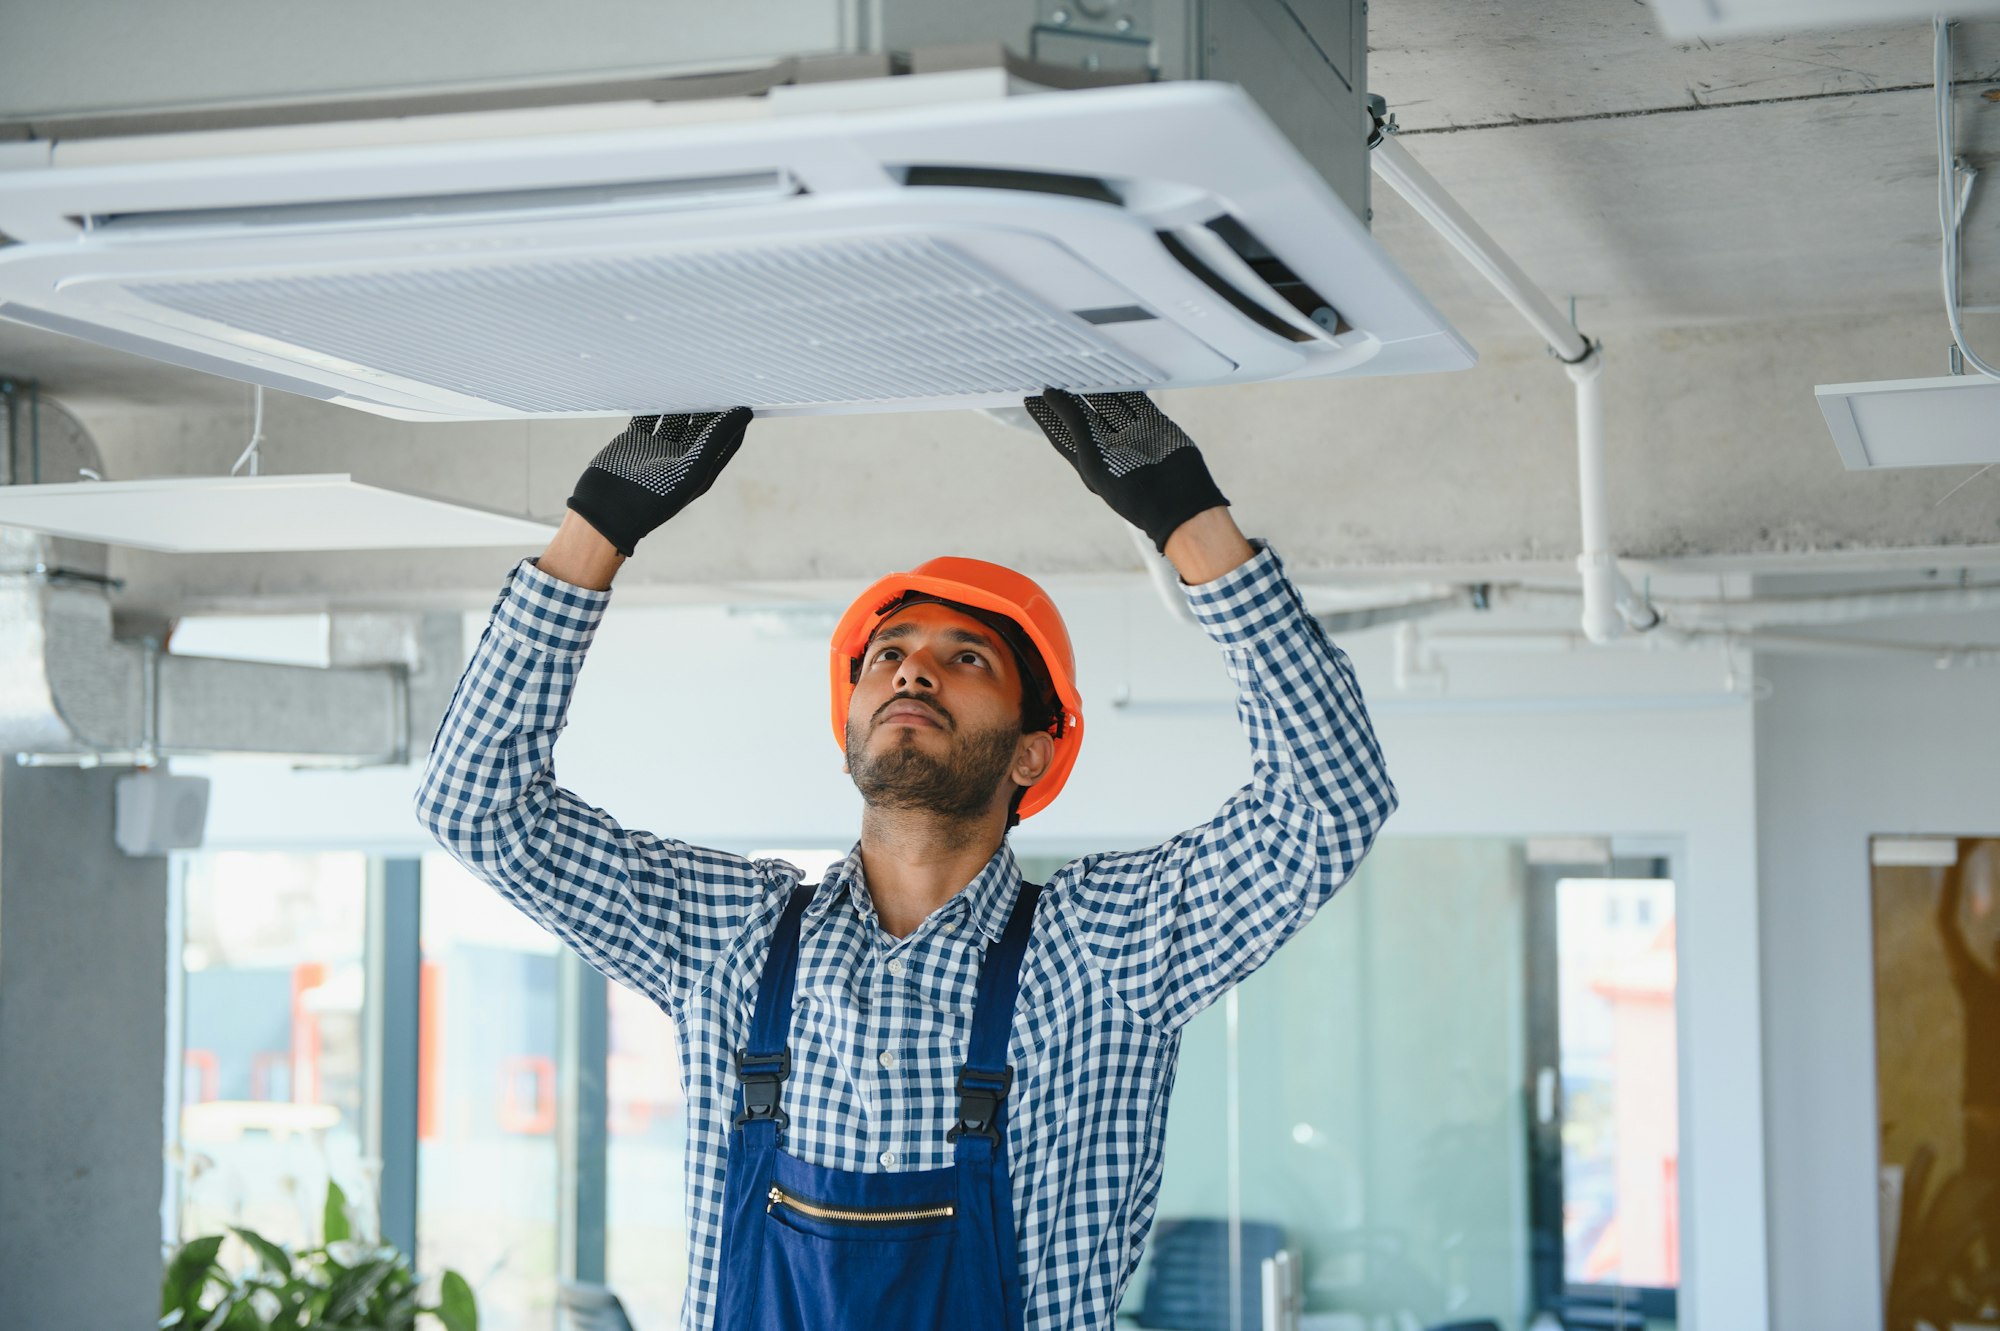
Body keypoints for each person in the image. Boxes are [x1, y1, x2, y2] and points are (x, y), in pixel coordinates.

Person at [416, 390, 1397, 1331]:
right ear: (847, 724)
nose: (913, 667)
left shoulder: (1106, 949)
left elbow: (1325, 804)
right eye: (888, 652)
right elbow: (474, 803)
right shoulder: (730, 938)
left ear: (1032, 751)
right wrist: (602, 519)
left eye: (967, 656)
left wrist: (1184, 515)